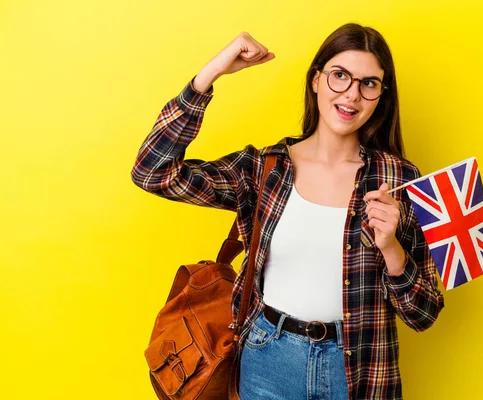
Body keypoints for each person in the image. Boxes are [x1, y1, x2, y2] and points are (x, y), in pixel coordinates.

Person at [131, 23, 444, 400]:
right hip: (268, 361)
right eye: (339, 76)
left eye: (369, 83)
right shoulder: (265, 169)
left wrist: (391, 248)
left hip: (361, 371)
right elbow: (153, 172)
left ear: (381, 96)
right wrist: (208, 75)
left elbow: (423, 314)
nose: (351, 95)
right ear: (316, 80)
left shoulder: (398, 180)